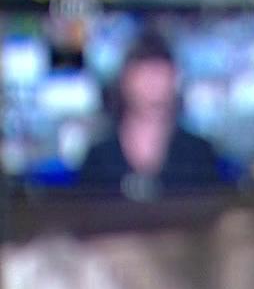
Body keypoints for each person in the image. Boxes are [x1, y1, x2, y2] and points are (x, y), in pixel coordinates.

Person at [74, 30, 227, 197]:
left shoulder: (199, 154)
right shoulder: (98, 158)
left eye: (159, 74)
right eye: (144, 74)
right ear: (125, 81)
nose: (152, 84)